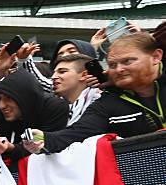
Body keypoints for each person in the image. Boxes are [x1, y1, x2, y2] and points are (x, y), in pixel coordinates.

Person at [33, 32, 165, 154]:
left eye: (128, 61)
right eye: (112, 65)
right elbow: (78, 133)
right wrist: (44, 139)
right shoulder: (106, 102)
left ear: (156, 57)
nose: (119, 69)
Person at [51, 54, 101, 125]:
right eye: (54, 72)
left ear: (84, 75)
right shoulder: (54, 105)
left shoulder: (99, 102)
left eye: (62, 72)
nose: (53, 77)